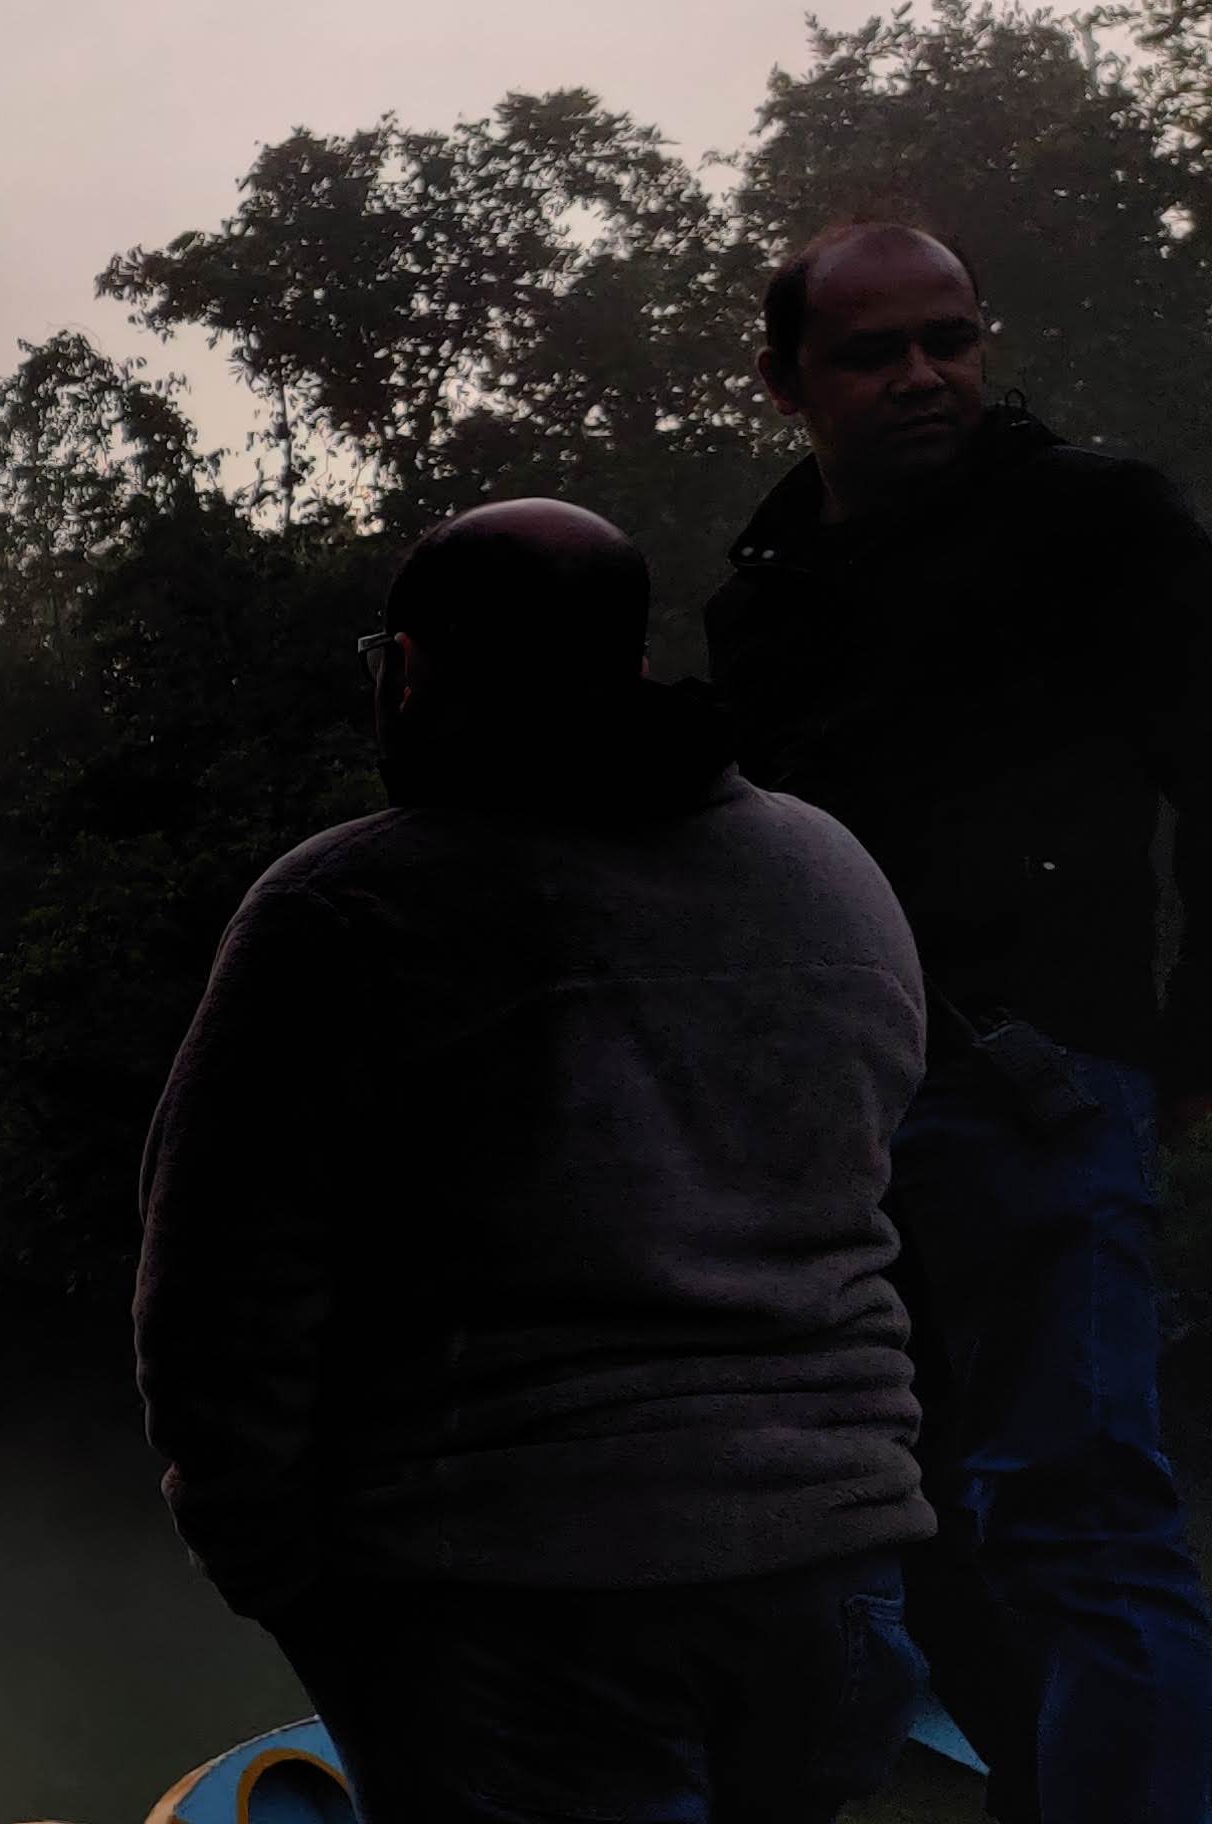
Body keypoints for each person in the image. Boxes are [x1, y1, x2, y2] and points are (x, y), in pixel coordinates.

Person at [137, 499, 935, 1823]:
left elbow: (220, 1287)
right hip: (836, 1576)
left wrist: (276, 1570)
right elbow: (880, 1182)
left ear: (407, 670)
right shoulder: (831, 869)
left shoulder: (352, 908)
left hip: (518, 1595)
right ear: (629, 662)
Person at [703, 218, 1212, 1824]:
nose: (928, 375)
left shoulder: (1097, 525)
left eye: (952, 337)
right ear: (788, 381)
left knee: (1080, 1512)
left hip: (1043, 1083)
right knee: (894, 1528)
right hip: (834, 1130)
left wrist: (1182, 1052)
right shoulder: (765, 600)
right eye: (875, 350)